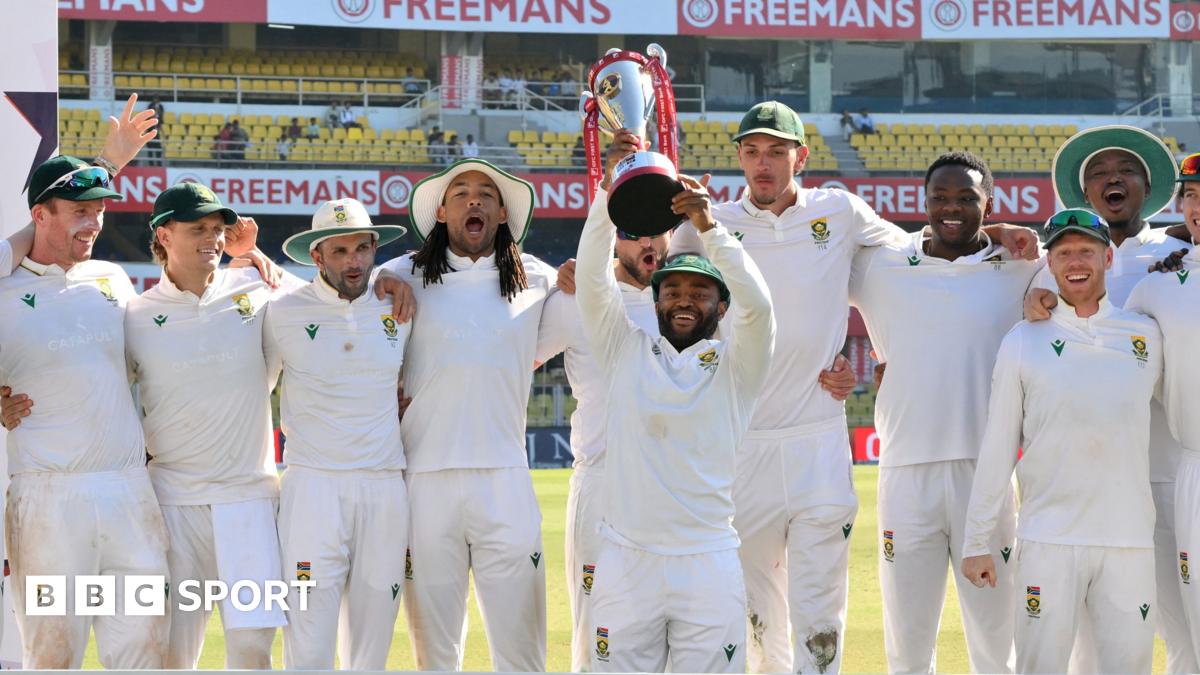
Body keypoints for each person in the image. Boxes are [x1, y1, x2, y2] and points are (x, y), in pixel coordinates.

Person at [665, 101, 1035, 675]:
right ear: (738, 157)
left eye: (777, 152)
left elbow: (922, 248)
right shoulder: (704, 225)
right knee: (754, 613)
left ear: (801, 157)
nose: (763, 166)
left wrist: (993, 231)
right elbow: (671, 308)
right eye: (752, 152)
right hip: (739, 440)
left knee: (822, 614)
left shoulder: (838, 212)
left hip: (818, 436)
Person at [578, 130, 775, 673]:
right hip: (626, 560)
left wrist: (709, 228)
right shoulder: (624, 349)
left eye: (699, 291)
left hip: (707, 563)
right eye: (673, 290)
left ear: (720, 305)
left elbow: (760, 309)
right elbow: (593, 280)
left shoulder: (738, 367)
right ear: (656, 298)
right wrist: (607, 190)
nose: (684, 300)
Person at [849, 152, 1043, 674]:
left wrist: (1026, 238)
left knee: (995, 644)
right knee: (907, 647)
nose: (950, 209)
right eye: (940, 198)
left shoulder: (1021, 266)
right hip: (906, 473)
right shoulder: (880, 265)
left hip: (988, 476)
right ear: (924, 201)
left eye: (966, 198)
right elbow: (806, 280)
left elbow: (1078, 273)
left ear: (990, 203)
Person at [0, 96, 168, 668]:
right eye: (78, 211)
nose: (94, 222)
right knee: (53, 658)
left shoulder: (112, 278)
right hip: (48, 497)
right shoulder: (2, 289)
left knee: (142, 653)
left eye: (99, 210)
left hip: (128, 490)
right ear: (39, 216)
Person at [1025, 124, 1194, 674]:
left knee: (1180, 623)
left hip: (1171, 468)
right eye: (1097, 172)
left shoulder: (1178, 254)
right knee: (1091, 641)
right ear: (1084, 193)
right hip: (1088, 478)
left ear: (1148, 186)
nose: (1111, 178)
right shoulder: (1051, 264)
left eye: (1124, 170)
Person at [962, 208, 1161, 674]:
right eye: (1064, 252)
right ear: (1048, 264)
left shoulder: (1145, 335)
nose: (1076, 262)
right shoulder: (1022, 340)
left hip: (1128, 540)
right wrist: (976, 541)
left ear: (1107, 258)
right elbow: (997, 445)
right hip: (1048, 539)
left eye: (1086, 251)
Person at [378, 158, 556, 671]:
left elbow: (593, 325)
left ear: (503, 213)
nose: (473, 200)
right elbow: (328, 305)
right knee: (435, 655)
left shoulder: (540, 279)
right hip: (424, 481)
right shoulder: (396, 275)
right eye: (461, 193)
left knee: (522, 654)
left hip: (506, 480)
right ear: (440, 210)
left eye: (486, 194)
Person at [125, 185, 291, 668]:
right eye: (198, 229)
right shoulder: (134, 315)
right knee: (173, 654)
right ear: (164, 234)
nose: (213, 239)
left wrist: (255, 253)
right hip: (173, 504)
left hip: (250, 500)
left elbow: (332, 298)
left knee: (252, 650)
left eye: (218, 230)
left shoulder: (257, 292)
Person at [535, 133, 671, 671]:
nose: (648, 245)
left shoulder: (691, 299)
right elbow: (508, 362)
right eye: (633, 232)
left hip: (674, 486)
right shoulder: (575, 300)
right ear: (613, 238)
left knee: (672, 634)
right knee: (598, 638)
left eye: (657, 231)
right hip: (601, 482)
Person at [265, 199, 412, 669]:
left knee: (372, 647)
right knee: (308, 643)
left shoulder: (399, 304)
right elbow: (251, 390)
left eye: (362, 249)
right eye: (340, 250)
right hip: (313, 489)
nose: (353, 261)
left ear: (374, 249)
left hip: (384, 485)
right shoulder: (281, 312)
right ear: (317, 256)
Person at [1125, 153, 1200, 667]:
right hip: (1191, 467)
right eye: (1192, 195)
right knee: (1189, 628)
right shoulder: (1156, 286)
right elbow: (1112, 369)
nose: (1198, 206)